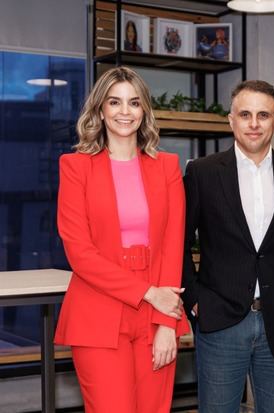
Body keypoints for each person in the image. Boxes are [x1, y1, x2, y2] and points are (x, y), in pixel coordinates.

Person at [181, 80, 274, 413]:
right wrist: (195, 300)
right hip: (220, 320)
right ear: (231, 120)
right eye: (245, 114)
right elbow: (178, 243)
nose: (254, 123)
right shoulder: (201, 173)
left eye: (264, 115)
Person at [55, 66, 189, 413]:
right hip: (98, 309)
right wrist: (148, 294)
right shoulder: (75, 167)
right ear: (100, 109)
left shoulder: (168, 167)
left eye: (133, 103)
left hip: (156, 311)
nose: (124, 112)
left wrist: (165, 323)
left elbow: (174, 247)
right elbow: (80, 254)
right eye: (115, 102)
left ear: (144, 110)